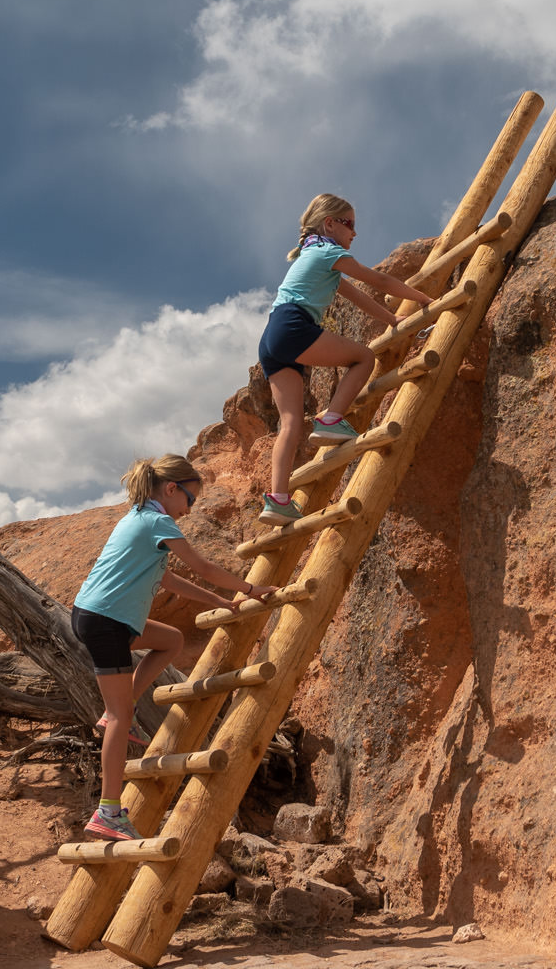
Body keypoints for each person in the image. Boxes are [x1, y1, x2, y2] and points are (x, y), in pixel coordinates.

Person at [72, 453, 251, 842]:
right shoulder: (157, 521)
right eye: (190, 499)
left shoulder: (137, 519)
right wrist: (250, 589)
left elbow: (168, 579)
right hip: (107, 623)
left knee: (171, 641)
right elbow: (203, 567)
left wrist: (219, 602)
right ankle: (108, 811)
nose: (191, 509)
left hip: (101, 617)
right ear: (171, 489)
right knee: (120, 720)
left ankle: (118, 712)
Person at [255, 194, 433, 524]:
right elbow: (377, 280)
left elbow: (359, 296)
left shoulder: (314, 256)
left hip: (271, 339)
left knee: (291, 423)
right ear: (330, 224)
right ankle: (332, 419)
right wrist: (423, 298)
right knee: (363, 358)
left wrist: (392, 319)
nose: (355, 233)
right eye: (350, 224)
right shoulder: (328, 252)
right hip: (293, 325)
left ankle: (278, 500)